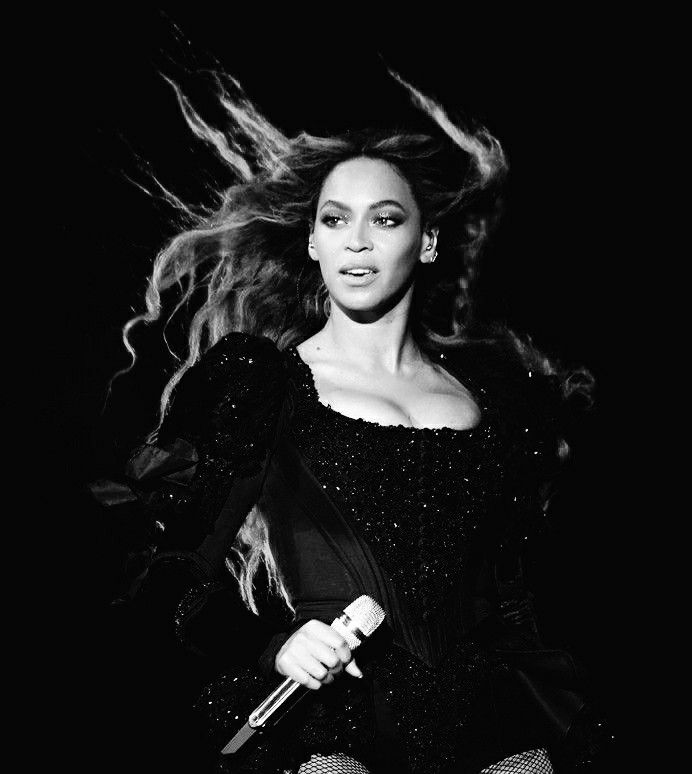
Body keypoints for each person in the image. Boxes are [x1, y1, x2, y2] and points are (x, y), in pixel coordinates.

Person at [97, 71, 602, 773]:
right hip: (337, 717)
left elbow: (512, 598)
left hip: (492, 715)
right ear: (312, 243)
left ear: (426, 243)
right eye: (335, 220)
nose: (357, 242)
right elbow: (173, 573)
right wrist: (275, 647)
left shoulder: (496, 401)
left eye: (385, 219)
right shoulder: (262, 384)